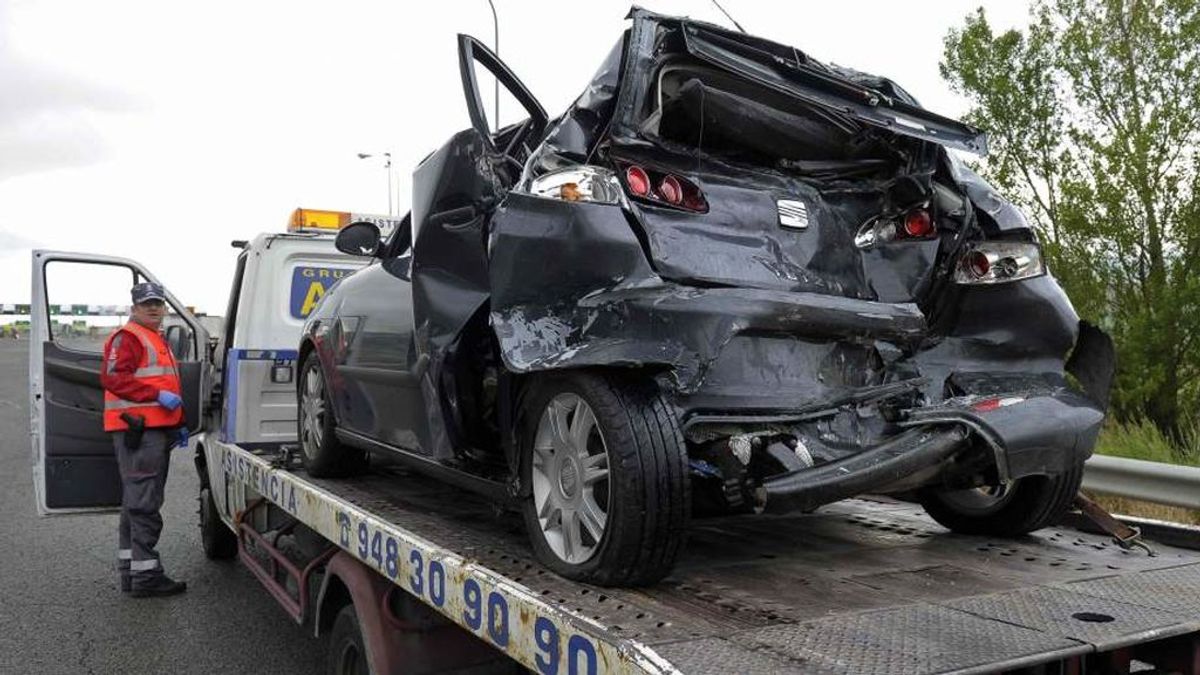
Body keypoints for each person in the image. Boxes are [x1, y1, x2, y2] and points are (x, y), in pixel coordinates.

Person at [99, 282, 189, 598]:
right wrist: (155, 395)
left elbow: (164, 381)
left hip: (154, 430)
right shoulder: (130, 337)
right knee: (144, 503)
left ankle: (132, 571)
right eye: (146, 303)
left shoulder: (154, 338)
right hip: (139, 432)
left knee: (135, 501)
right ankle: (146, 577)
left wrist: (178, 423)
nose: (153, 308)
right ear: (134, 307)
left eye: (158, 303)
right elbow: (113, 379)